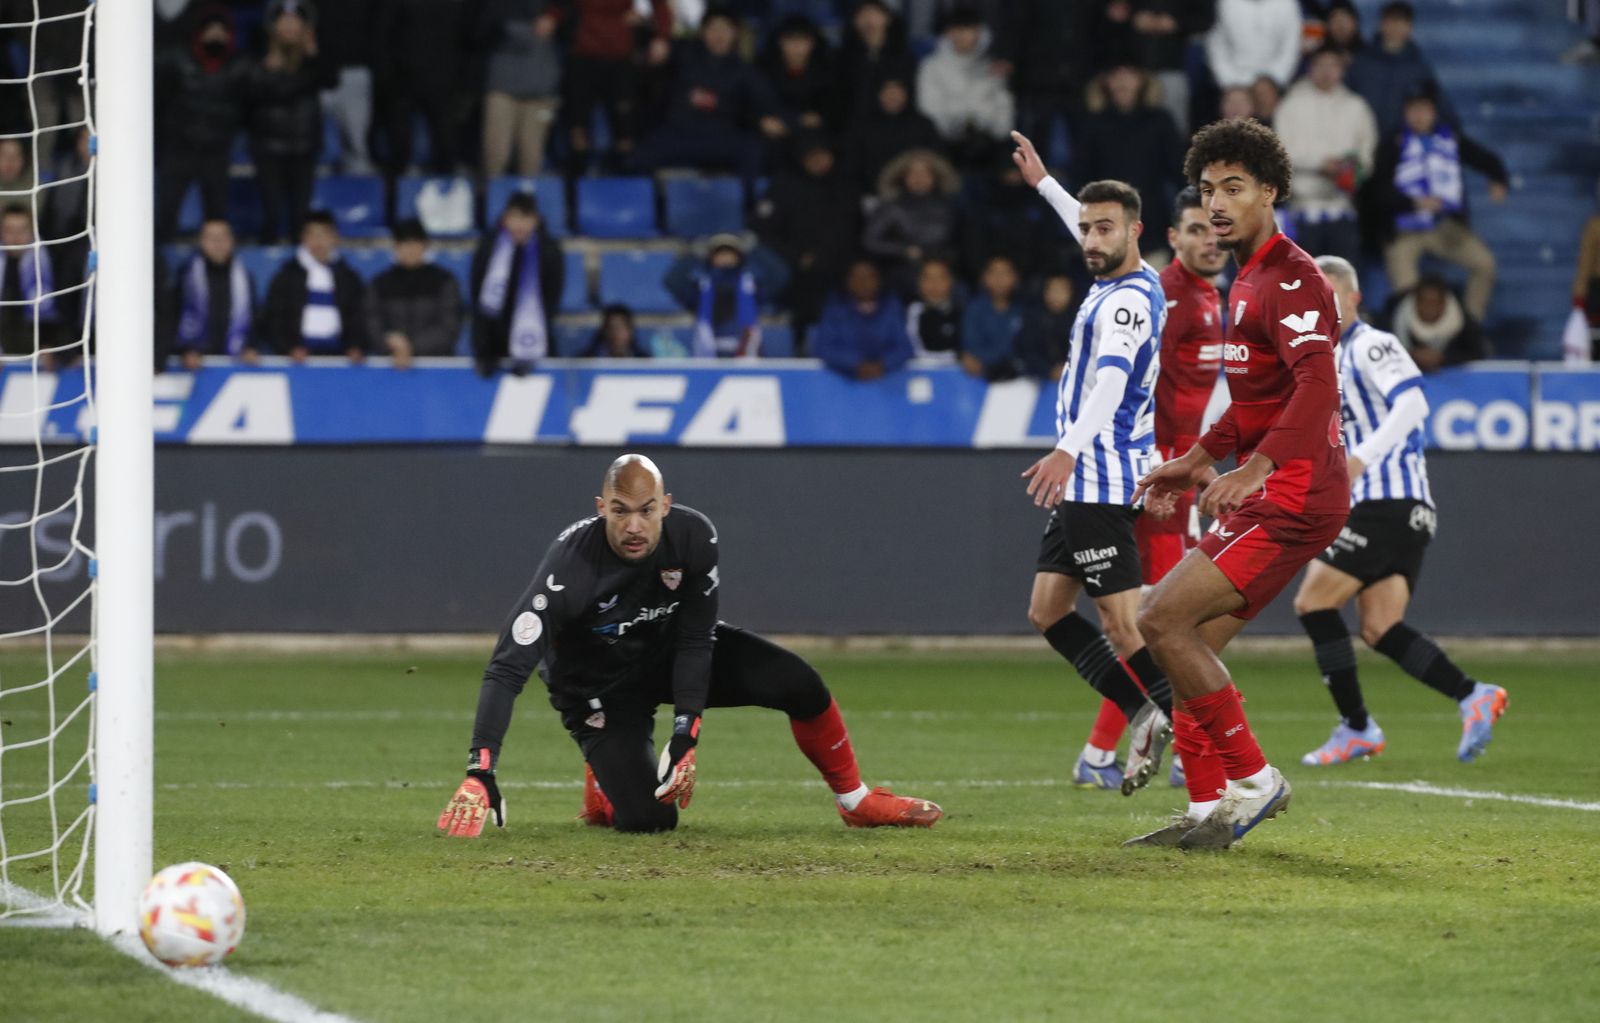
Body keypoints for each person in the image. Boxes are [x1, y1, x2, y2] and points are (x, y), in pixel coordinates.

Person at [435, 454, 944, 836]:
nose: (634, 526)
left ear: (666, 506)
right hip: (600, 688)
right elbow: (507, 668)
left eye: (646, 511)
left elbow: (697, 637)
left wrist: (685, 736)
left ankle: (855, 802)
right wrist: (481, 771)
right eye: (620, 511)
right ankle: (602, 767)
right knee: (649, 822)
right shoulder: (568, 570)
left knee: (799, 684)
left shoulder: (695, 537)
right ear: (600, 509)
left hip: (665, 652)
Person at [1130, 117, 1347, 849]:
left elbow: (1317, 384)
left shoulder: (1293, 278)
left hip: (1295, 492)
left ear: (1270, 191)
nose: (1217, 203)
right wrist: (1200, 457)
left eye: (1233, 188)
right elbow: (1260, 401)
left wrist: (1258, 466)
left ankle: (1254, 780)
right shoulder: (1248, 277)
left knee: (1159, 617)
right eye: (1206, 189)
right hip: (1278, 483)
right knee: (1182, 642)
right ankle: (1206, 808)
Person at [1010, 132, 1178, 797]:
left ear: (1135, 231)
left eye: (1104, 228)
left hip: (1099, 477)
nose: (1090, 239)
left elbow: (1110, 381)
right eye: (1084, 228)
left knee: (1125, 623)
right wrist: (1047, 185)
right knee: (1048, 610)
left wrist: (1067, 448)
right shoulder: (1127, 280)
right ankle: (1147, 709)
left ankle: (1181, 723)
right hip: (1094, 474)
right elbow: (1088, 224)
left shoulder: (1129, 302)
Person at [1293, 255, 1508, 765]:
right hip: (1398, 509)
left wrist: (1361, 459)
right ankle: (1472, 694)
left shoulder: (1373, 344)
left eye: (1329, 294)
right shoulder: (1324, 359)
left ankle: (1356, 726)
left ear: (1352, 297)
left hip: (1387, 501)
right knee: (1379, 628)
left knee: (1313, 602)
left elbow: (1413, 402)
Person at [1075, 186, 1230, 793]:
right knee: (1163, 622)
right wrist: (1163, 466)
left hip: (1175, 473)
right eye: (1196, 230)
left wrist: (1198, 463)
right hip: (1150, 476)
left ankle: (1101, 750)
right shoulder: (1168, 295)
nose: (1209, 242)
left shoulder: (1210, 296)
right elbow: (1141, 389)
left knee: (1162, 621)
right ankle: (1170, 747)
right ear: (1171, 237)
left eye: (1217, 230)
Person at [1375, 89, 1508, 322]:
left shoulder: (1449, 138)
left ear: (1433, 112)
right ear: (1405, 113)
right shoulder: (1392, 144)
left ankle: (1470, 329)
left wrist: (1498, 177)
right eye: (1413, 110)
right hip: (1404, 228)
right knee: (1407, 291)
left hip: (1443, 225)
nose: (1419, 116)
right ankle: (1413, 336)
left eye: (1424, 110)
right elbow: (1377, 192)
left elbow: (1484, 158)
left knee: (1485, 264)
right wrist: (1413, 203)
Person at [629, 8, 780, 189]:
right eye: (713, 29)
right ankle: (655, 209)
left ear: (735, 33)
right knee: (638, 157)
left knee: (755, 151)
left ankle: (746, 209)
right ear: (702, 32)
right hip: (679, 134)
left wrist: (767, 118)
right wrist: (646, 31)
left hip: (722, 136)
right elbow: (654, 48)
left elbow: (764, 101)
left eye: (725, 29)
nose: (719, 35)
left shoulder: (745, 71)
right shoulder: (683, 54)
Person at [1273, 46, 1377, 267]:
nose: (1327, 72)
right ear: (1311, 68)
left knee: (1342, 286)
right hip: (1301, 210)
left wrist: (1347, 170)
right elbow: (1280, 153)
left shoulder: (1357, 107)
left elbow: (1366, 155)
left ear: (1342, 70)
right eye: (1321, 65)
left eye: (1333, 66)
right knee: (1300, 286)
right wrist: (1319, 164)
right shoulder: (1290, 105)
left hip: (1343, 209)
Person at [752, 135, 859, 343]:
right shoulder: (784, 185)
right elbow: (763, 230)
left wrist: (828, 255)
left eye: (824, 156)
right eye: (813, 157)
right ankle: (799, 345)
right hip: (795, 266)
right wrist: (796, 256)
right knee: (802, 293)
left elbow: (854, 228)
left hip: (840, 262)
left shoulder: (846, 185)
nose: (819, 162)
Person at [154, 4, 247, 241]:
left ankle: (214, 270)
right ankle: (162, 263)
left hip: (216, 152)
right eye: (210, 30)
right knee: (166, 213)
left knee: (216, 217)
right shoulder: (176, 63)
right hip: (179, 149)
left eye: (221, 31)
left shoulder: (239, 67)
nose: (215, 36)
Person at [1072, 65, 1185, 245]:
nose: (1122, 82)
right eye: (1115, 75)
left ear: (1143, 80)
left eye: (1129, 75)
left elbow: (1179, 173)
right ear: (1105, 82)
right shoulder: (1092, 124)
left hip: (1153, 223)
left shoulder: (1160, 121)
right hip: (1104, 224)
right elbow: (1081, 177)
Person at [562, 0, 673, 173]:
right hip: (583, 56)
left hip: (620, 58)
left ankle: (627, 191)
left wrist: (661, 36)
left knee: (625, 133)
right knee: (578, 131)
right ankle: (574, 193)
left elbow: (660, 6)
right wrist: (553, 18)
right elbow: (558, 6)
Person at [245, 0, 323, 245]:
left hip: (304, 146)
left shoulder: (314, 60)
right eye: (284, 22)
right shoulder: (257, 56)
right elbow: (254, 94)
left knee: (300, 215)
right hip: (267, 146)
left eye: (294, 22)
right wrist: (276, 77)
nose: (289, 27)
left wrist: (313, 58)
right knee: (272, 212)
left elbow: (330, 79)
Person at [250, 209, 371, 362]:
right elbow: (273, 318)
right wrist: (288, 348)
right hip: (297, 360)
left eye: (324, 234)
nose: (318, 241)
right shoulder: (286, 276)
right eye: (312, 235)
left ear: (334, 237)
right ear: (303, 238)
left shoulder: (349, 278)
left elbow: (360, 317)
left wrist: (355, 346)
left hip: (341, 362)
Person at [470, 193, 564, 376]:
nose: (520, 225)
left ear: (535, 220)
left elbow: (551, 299)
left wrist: (527, 346)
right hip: (493, 339)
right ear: (505, 219)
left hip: (533, 336)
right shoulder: (488, 248)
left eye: (526, 218)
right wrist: (483, 350)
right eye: (515, 217)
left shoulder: (549, 251)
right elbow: (479, 299)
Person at [915, 7, 1015, 166]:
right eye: (955, 30)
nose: (961, 35)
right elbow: (929, 109)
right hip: (946, 144)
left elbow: (1004, 111)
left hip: (990, 144)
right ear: (947, 33)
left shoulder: (994, 66)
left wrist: (982, 122)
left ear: (979, 32)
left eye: (967, 29)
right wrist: (962, 120)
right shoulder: (932, 66)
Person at [1346, 1, 1457, 139]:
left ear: (1410, 28)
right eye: (1391, 21)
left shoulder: (1419, 68)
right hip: (1361, 141)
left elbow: (1442, 110)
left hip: (1399, 148)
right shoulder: (1361, 62)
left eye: (1401, 22)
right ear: (1381, 24)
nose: (1395, 27)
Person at [861, 149, 962, 297]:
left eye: (925, 173)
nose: (919, 178)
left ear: (935, 177)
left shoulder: (949, 207)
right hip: (903, 274)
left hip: (944, 272)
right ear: (903, 177)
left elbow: (961, 242)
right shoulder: (891, 207)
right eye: (913, 174)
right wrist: (904, 250)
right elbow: (870, 241)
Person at [481, 0, 564, 177]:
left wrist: (554, 17)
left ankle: (528, 202)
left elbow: (573, 16)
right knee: (496, 156)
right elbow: (481, 28)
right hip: (502, 87)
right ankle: (490, 201)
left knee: (531, 160)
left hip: (541, 90)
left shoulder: (557, 10)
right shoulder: (498, 8)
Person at [369, 219, 464, 366]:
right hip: (390, 365)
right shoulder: (379, 284)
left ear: (425, 245)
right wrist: (388, 341)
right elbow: (371, 322)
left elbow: (449, 327)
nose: (409, 250)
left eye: (414, 243)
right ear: (395, 247)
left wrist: (411, 346)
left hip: (436, 367)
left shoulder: (444, 281)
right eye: (404, 244)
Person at [170, 218, 256, 371]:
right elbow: (173, 314)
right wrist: (186, 350)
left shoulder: (244, 276)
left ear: (232, 241)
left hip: (235, 361)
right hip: (194, 362)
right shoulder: (186, 275)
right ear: (201, 241)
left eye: (223, 237)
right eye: (211, 238)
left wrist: (249, 346)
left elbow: (254, 315)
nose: (218, 243)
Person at [662, 234, 767, 358]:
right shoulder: (701, 289)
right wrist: (693, 255)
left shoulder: (752, 287)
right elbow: (673, 281)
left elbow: (780, 277)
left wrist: (756, 251)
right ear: (711, 257)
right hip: (710, 352)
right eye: (720, 253)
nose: (725, 258)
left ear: (739, 257)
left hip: (745, 350)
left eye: (729, 253)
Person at [810, 258, 913, 381]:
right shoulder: (835, 309)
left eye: (869, 277)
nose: (863, 282)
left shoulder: (891, 307)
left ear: (878, 280)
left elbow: (904, 347)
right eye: (857, 277)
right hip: (844, 383)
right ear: (848, 281)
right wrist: (855, 364)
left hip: (887, 382)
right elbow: (823, 347)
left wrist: (882, 365)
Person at [843, 77, 943, 195]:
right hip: (872, 195)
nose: (893, 96)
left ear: (907, 94)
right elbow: (852, 164)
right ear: (878, 94)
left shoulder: (923, 125)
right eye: (888, 91)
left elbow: (936, 161)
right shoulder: (862, 126)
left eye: (897, 91)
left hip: (919, 196)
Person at [757, 14, 844, 136]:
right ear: (780, 42)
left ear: (812, 43)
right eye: (791, 40)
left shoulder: (826, 70)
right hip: (775, 131)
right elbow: (763, 106)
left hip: (815, 134)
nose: (797, 46)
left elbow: (829, 111)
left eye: (802, 40)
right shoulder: (765, 70)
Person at [1386, 276, 1491, 370]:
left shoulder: (1462, 319)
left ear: (1445, 302)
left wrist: (1443, 358)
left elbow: (1478, 352)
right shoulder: (1393, 315)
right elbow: (1381, 353)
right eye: (1424, 301)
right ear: (1415, 302)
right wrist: (1411, 355)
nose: (1429, 308)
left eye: (1435, 302)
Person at [0, 205, 61, 363]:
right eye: (9, 230)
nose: (15, 236)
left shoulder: (49, 260)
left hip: (36, 351)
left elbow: (58, 308)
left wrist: (49, 345)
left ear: (32, 231)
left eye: (21, 230)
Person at [1205, 0, 1302, 91]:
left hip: (1273, 81)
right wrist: (1229, 81)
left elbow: (1291, 47)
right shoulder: (1225, 3)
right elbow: (1216, 46)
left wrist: (1274, 80)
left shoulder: (1287, 3)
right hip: (1232, 81)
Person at [958, 254, 1025, 379]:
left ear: (1015, 277)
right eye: (994, 273)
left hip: (1021, 376)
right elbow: (971, 346)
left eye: (1005, 273)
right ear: (984, 277)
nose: (999, 279)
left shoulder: (1024, 310)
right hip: (982, 376)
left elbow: (1025, 347)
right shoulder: (974, 309)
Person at [1014, 272, 1076, 380]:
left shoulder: (1082, 319)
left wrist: (1068, 369)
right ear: (1045, 293)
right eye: (1053, 290)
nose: (1057, 295)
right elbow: (1027, 351)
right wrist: (1049, 371)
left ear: (1071, 293)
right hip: (1037, 379)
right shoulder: (1033, 317)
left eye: (1062, 290)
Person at [905, 257, 962, 361]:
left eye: (940, 277)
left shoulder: (962, 313)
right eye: (928, 278)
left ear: (951, 281)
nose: (934, 284)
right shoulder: (911, 312)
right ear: (919, 283)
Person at [584, 303, 651, 358]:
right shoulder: (586, 361)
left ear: (630, 331)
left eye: (621, 328)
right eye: (611, 328)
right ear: (603, 331)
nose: (616, 334)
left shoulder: (645, 361)